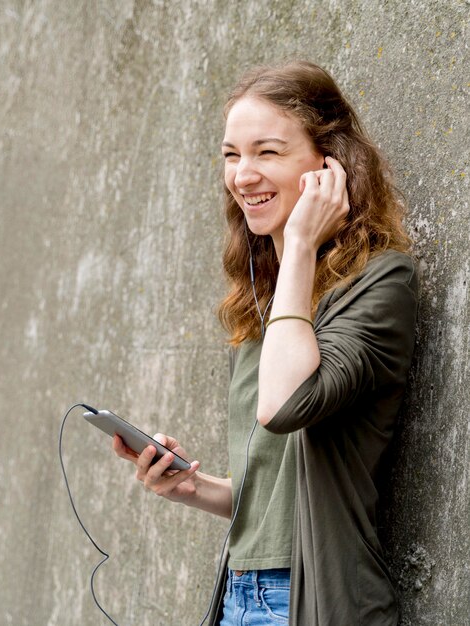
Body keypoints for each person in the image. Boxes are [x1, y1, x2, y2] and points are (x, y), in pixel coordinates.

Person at [112, 60, 418, 626]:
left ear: (330, 164)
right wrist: (190, 487)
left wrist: (300, 244)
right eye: (232, 155)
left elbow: (283, 406)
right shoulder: (265, 304)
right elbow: (271, 496)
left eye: (268, 152)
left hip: (313, 602)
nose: (243, 175)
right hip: (240, 598)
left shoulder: (381, 284)